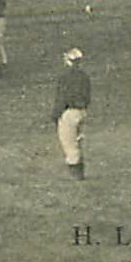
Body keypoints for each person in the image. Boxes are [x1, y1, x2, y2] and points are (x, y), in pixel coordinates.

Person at [51, 48, 91, 179]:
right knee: (77, 141)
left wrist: (55, 115)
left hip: (68, 113)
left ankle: (76, 174)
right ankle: (80, 170)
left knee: (69, 143)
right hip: (81, 111)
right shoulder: (84, 77)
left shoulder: (65, 78)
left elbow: (61, 98)